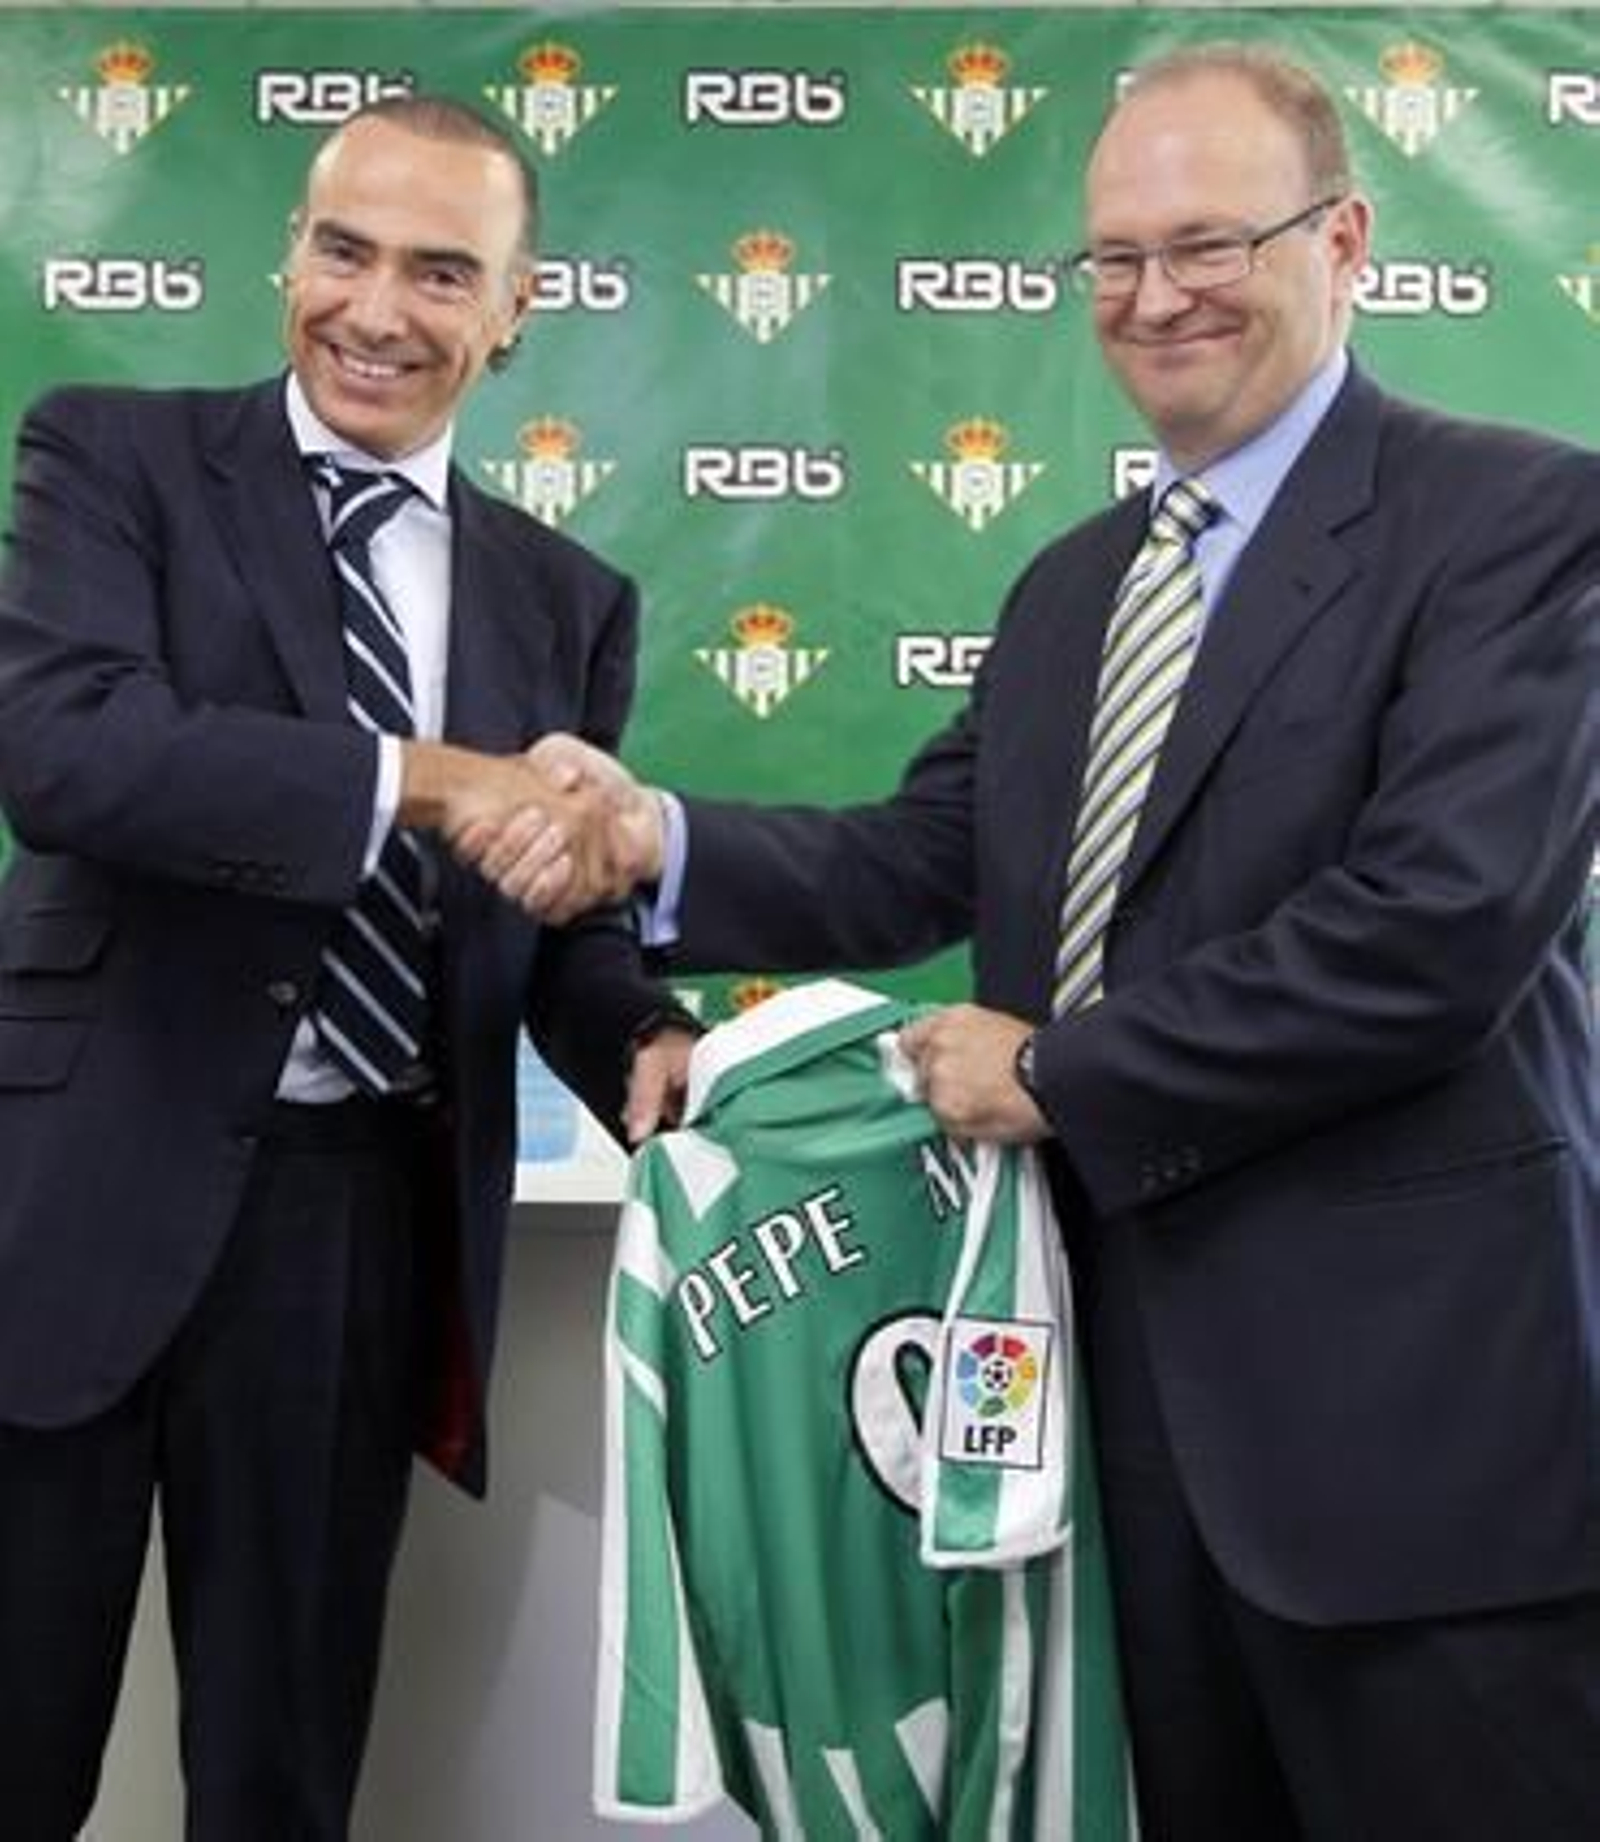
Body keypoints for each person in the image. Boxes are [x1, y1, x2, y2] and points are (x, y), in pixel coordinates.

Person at [469, 43, 1600, 1841]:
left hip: (1415, 1440)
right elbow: (922, 855)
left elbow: (1433, 932)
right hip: (1115, 1424)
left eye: (1210, 243)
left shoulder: (1521, 518)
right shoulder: (1077, 583)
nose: (1158, 297)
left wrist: (1061, 1071)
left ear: (1348, 239)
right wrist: (647, 838)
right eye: (1118, 257)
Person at [0, 95, 694, 1840]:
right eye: (345, 250)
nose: (379, 308)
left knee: (279, 1771)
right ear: (289, 257)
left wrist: (652, 1044)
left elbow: (558, 934)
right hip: (71, 1183)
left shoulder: (568, 599)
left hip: (350, 1228)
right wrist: (430, 775)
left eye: (443, 269)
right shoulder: (116, 456)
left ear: (518, 305)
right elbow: (72, 750)